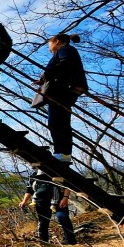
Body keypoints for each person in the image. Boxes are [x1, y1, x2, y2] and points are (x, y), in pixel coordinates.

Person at [37, 33, 89, 162]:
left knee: (56, 121)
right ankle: (63, 153)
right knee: (61, 121)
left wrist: (46, 74)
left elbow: (65, 65)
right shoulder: (67, 50)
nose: (49, 46)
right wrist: (44, 79)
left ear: (57, 41)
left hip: (65, 89)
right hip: (68, 88)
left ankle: (62, 152)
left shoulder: (64, 49)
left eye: (50, 43)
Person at [19, 170, 76, 245]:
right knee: (43, 221)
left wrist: (65, 197)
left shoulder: (56, 172)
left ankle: (70, 240)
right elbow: (29, 190)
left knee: (62, 217)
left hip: (58, 200)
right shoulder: (34, 175)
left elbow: (67, 185)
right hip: (41, 201)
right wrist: (24, 201)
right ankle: (44, 241)